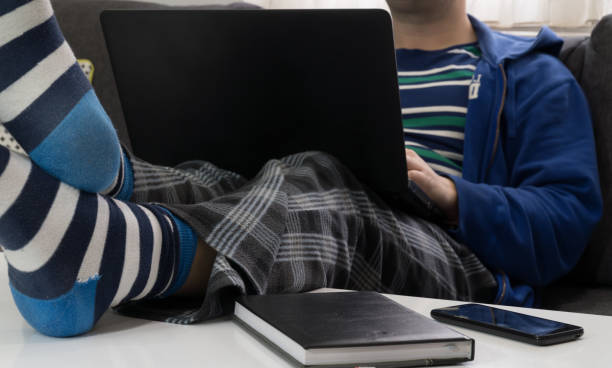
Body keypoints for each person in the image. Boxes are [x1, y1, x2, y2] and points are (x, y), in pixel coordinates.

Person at [0, 0, 601, 337]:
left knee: (319, 177)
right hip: (309, 200)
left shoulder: (534, 72)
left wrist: (450, 193)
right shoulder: (333, 53)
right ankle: (109, 183)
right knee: (223, 176)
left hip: (452, 257)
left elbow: (568, 223)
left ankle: (93, 230)